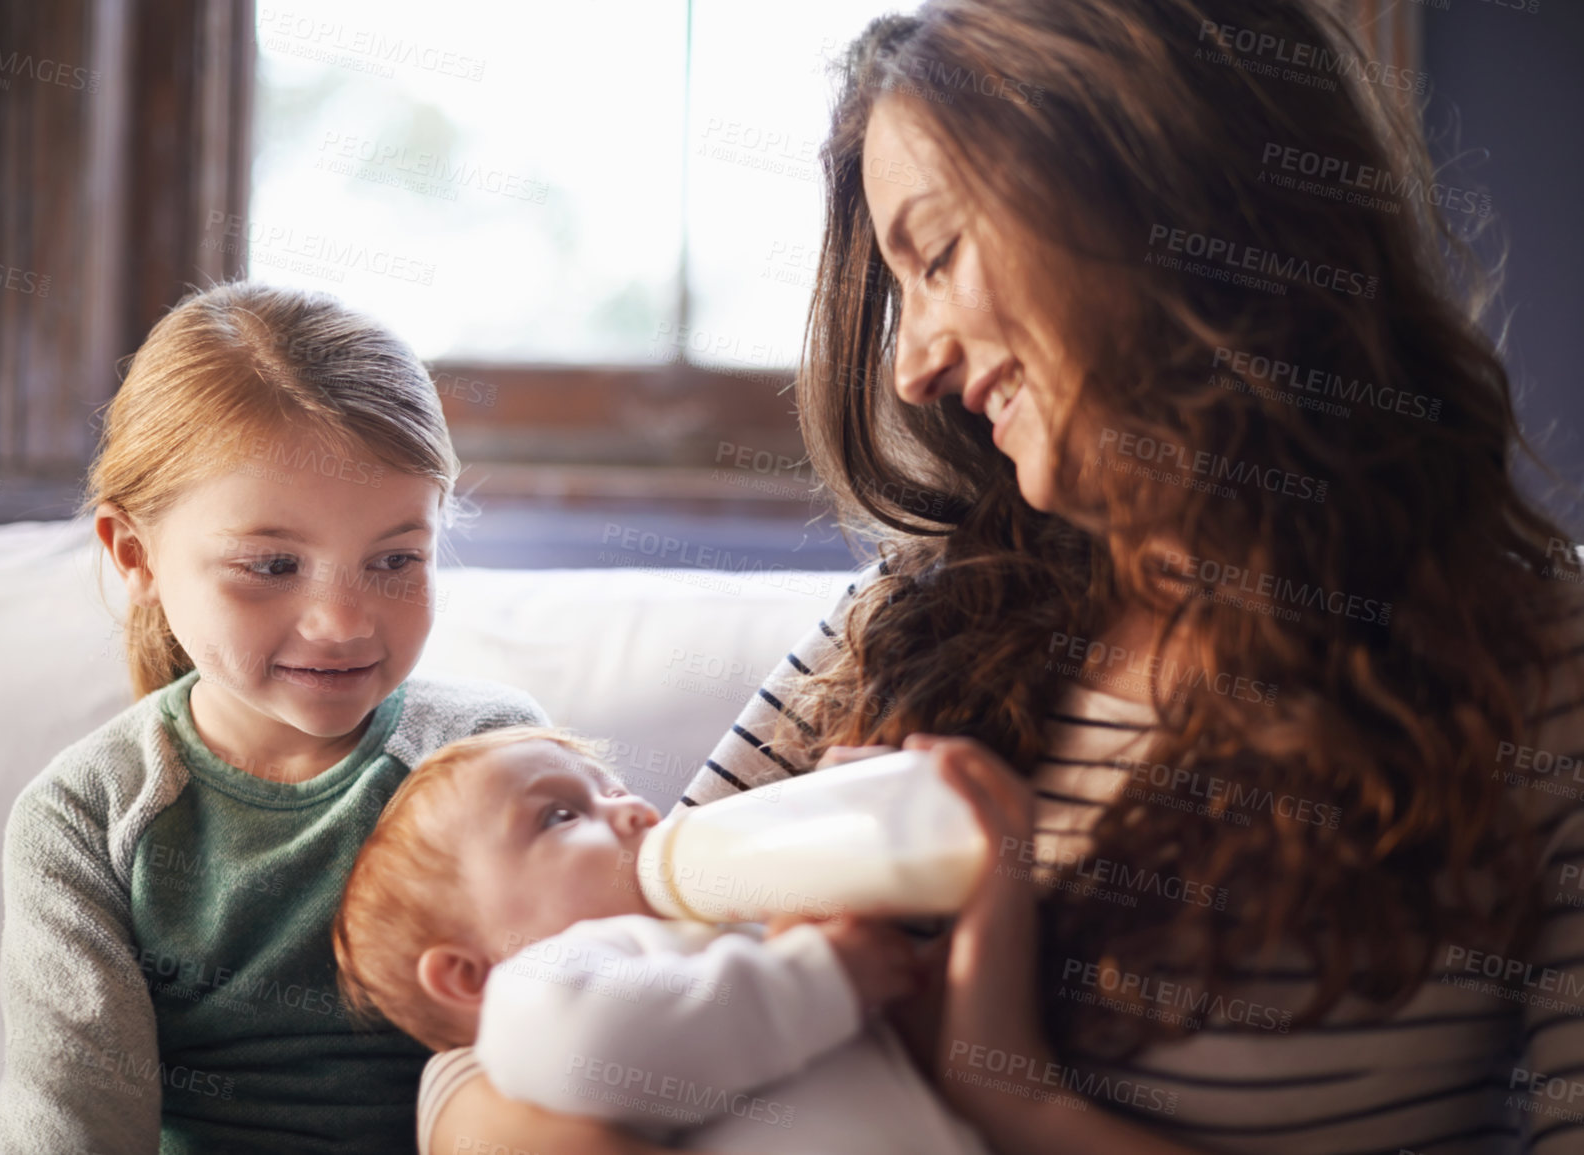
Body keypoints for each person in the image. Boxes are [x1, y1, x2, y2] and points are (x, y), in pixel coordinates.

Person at [434, 1, 1584, 1152]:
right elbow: (528, 1010)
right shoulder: (914, 615)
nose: (916, 363)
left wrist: (1012, 1094)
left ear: (1156, 189)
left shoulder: (1538, 665)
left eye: (936, 255)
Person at [0, 282, 551, 1154]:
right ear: (133, 554)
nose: (343, 622)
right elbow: (72, 1123)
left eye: (396, 558)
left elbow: (604, 1014)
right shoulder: (85, 815)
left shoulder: (487, 756)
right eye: (271, 564)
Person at [331, 724, 1000, 1155]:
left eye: (614, 789)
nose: (637, 811)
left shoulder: (729, 935)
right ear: (470, 975)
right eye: (561, 815)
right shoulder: (534, 988)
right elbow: (592, 1045)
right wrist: (825, 975)